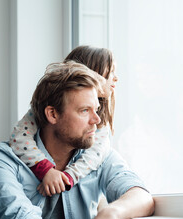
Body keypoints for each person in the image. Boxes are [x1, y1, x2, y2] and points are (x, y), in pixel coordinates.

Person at [0, 61, 154, 219]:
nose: (96, 120)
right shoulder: (1, 159)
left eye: (96, 109)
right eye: (84, 110)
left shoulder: (99, 157)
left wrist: (109, 214)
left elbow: (142, 198)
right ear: (52, 114)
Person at [9, 46, 116, 196]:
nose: (115, 79)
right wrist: (45, 170)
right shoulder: (43, 109)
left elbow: (94, 155)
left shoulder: (101, 126)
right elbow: (19, 136)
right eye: (109, 73)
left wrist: (68, 177)